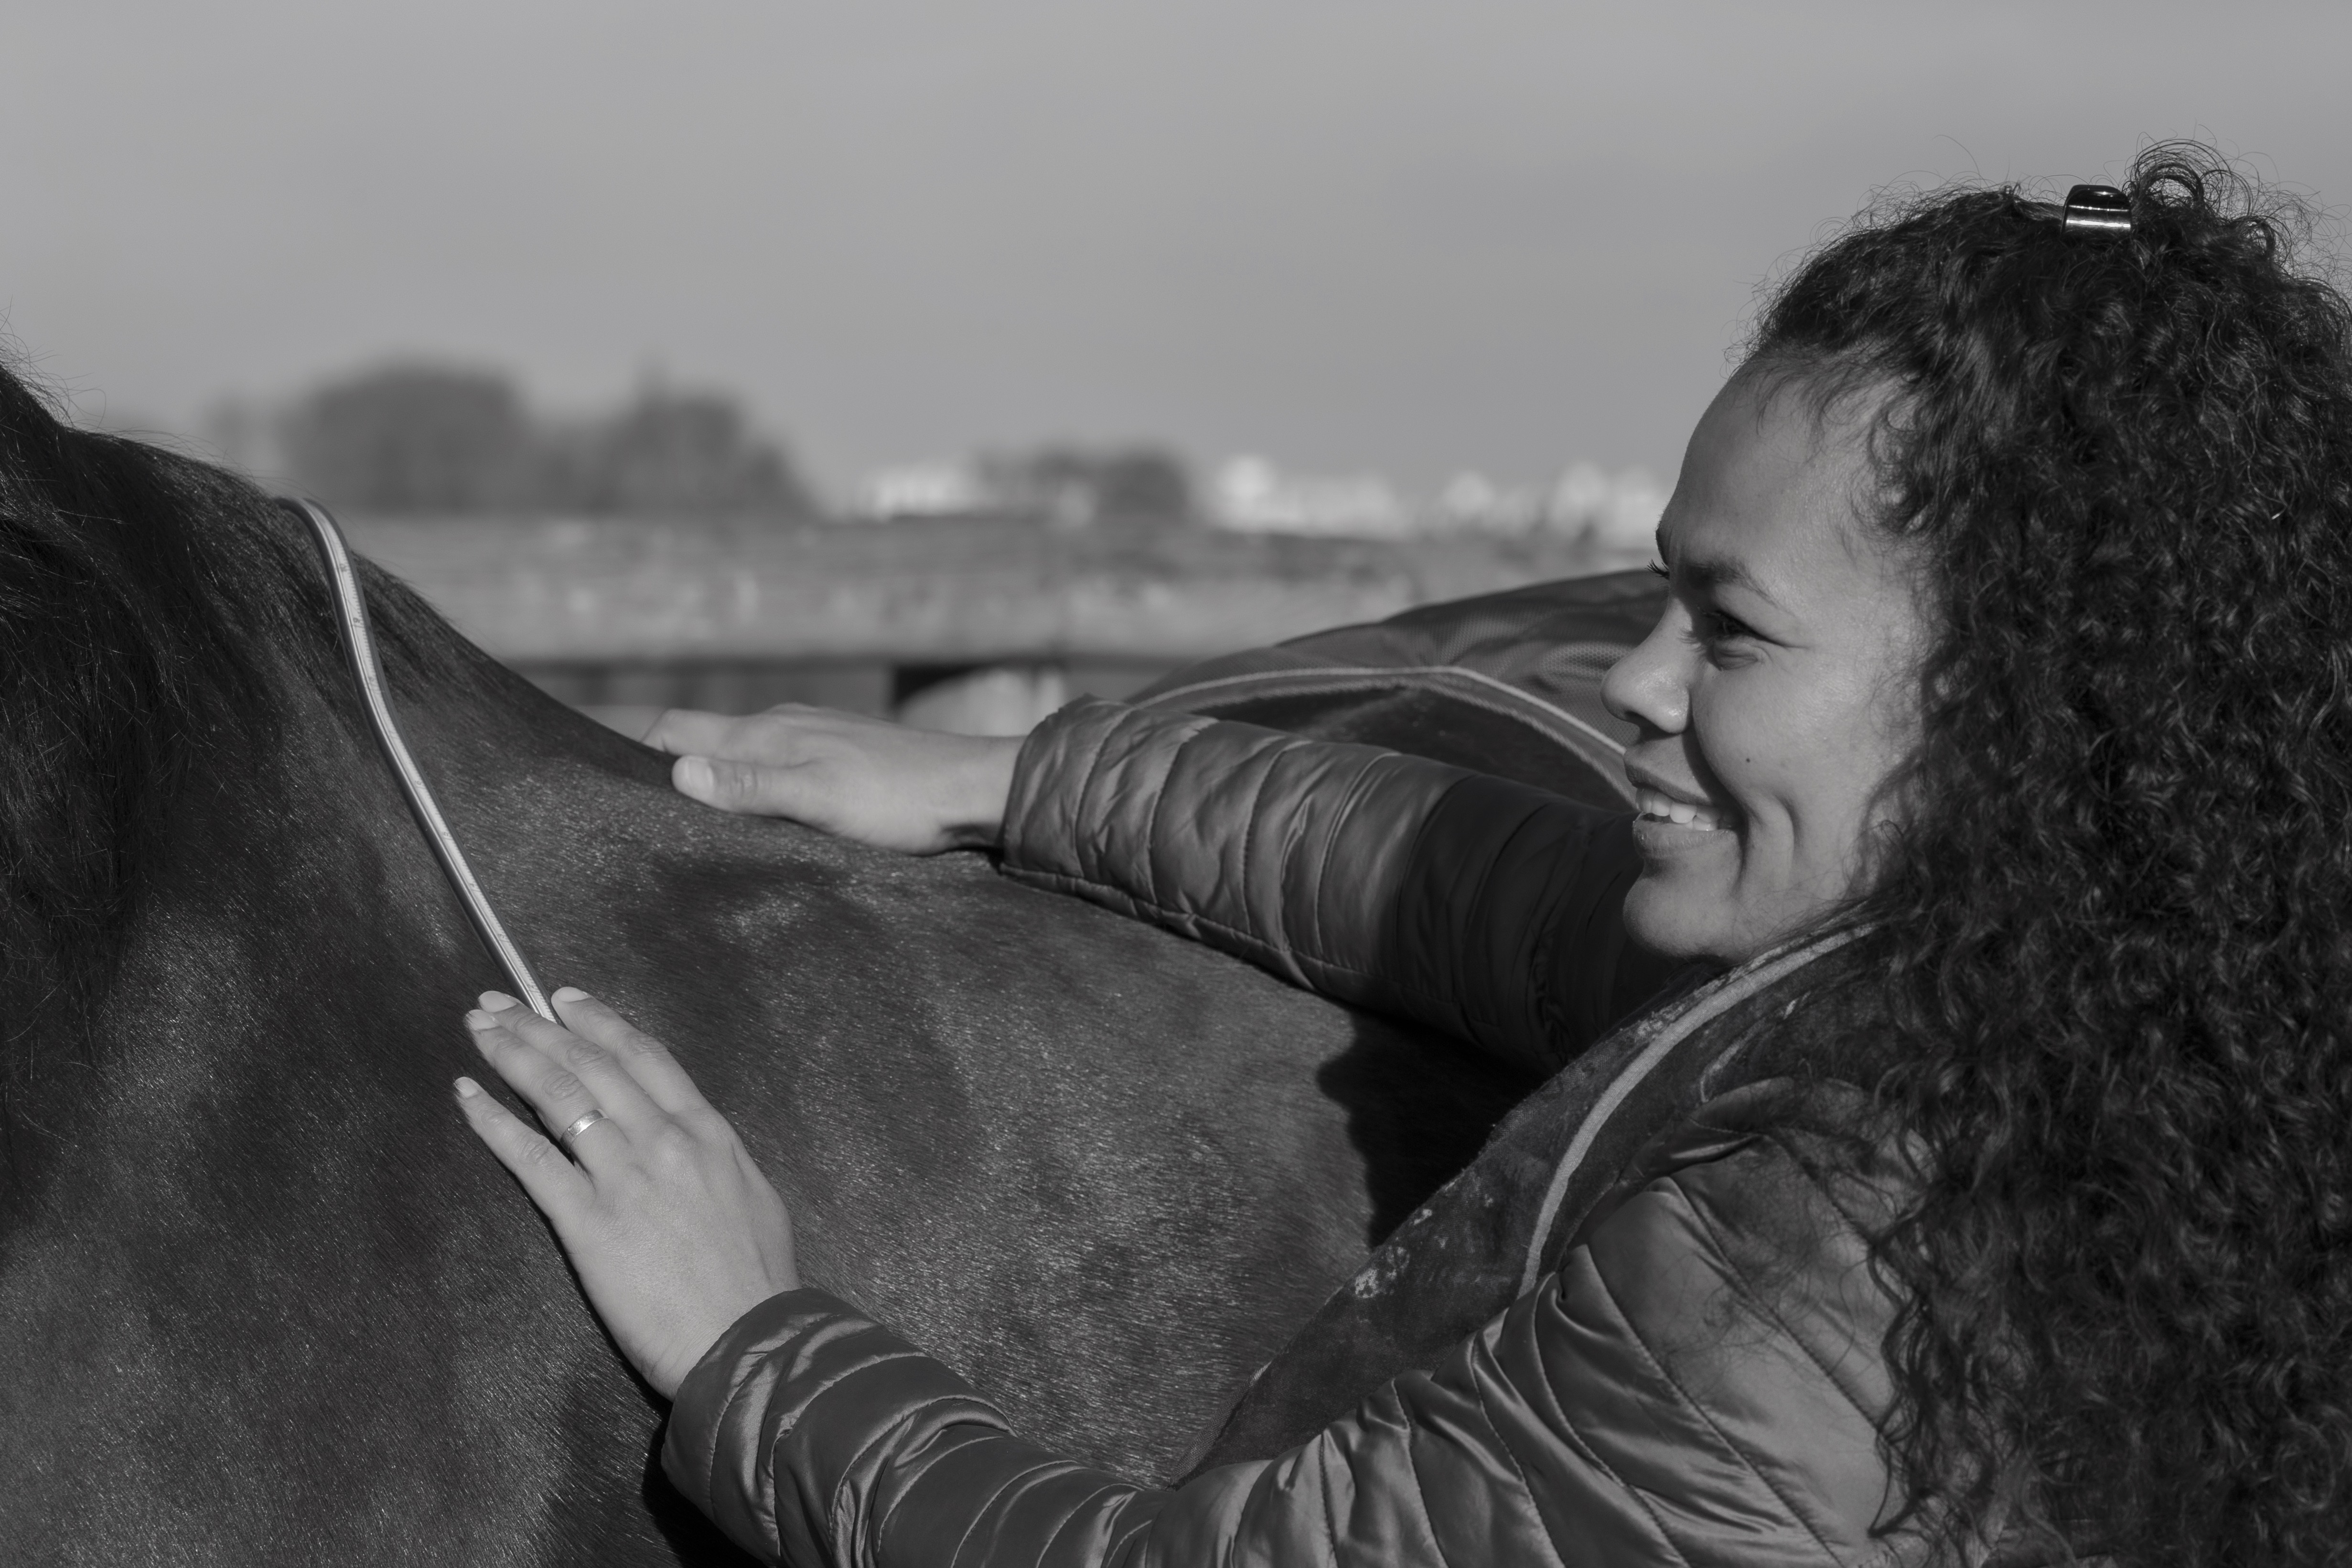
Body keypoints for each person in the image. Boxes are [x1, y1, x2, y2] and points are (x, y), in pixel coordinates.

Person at [453, 145, 2352, 1566]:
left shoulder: (1826, 1274)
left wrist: (742, 1333)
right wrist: (1010, 778)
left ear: (2026, 703)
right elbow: (1460, 884)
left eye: (1731, 627)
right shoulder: (2052, 1002)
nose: (1632, 668)